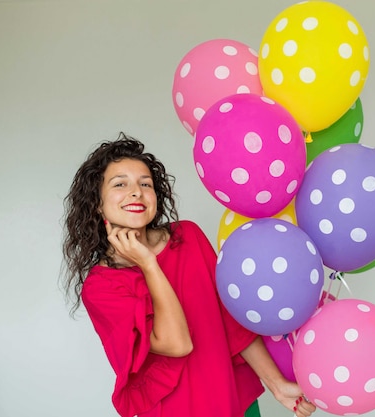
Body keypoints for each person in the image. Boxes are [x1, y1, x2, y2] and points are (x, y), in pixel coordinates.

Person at [62, 132, 316, 417]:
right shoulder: (100, 287)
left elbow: (233, 324)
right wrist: (148, 264)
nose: (136, 192)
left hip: (232, 400)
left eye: (145, 184)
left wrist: (278, 385)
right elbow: (177, 344)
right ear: (97, 204)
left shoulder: (188, 237)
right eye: (120, 184)